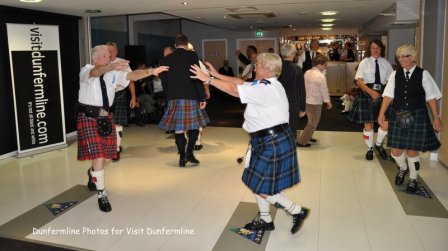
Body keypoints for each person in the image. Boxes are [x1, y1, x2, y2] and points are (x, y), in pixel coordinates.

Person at [190, 53, 309, 235]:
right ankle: (266, 219)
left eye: (258, 66)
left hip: (273, 142)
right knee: (255, 180)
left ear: (267, 70)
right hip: (262, 140)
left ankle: (296, 210)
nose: (255, 68)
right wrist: (215, 74)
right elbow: (239, 82)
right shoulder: (264, 84)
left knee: (258, 184)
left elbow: (234, 91)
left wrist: (208, 80)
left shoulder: (268, 89)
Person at [78, 45, 168, 212]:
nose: (110, 57)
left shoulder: (113, 72)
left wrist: (151, 71)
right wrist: (112, 66)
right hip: (89, 117)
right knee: (98, 156)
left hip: (106, 118)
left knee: (108, 158)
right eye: (105, 55)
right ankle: (101, 194)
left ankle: (93, 174)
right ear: (95, 58)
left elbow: (131, 75)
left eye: (110, 55)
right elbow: (97, 73)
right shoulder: (86, 71)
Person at [378, 44, 443, 193]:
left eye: (405, 56)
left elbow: (432, 97)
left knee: (413, 151)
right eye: (399, 57)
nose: (401, 60)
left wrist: (436, 117)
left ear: (413, 57)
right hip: (398, 114)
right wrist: (382, 113)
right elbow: (388, 96)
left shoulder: (423, 74)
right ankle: (403, 168)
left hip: (417, 114)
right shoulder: (395, 74)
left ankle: (413, 179)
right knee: (395, 151)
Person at [158, 34, 210, 167]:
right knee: (194, 127)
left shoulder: (167, 59)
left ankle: (182, 157)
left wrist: (168, 97)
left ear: (175, 45)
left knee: (179, 129)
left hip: (174, 97)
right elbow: (196, 76)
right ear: (187, 45)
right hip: (190, 96)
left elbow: (164, 80)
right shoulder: (192, 56)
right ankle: (189, 153)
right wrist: (202, 96)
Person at [348, 39, 393, 160]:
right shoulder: (364, 62)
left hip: (383, 94)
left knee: (385, 124)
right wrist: (371, 92)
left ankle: (378, 144)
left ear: (381, 49)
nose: (375, 50)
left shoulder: (386, 63)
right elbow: (359, 81)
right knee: (368, 124)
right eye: (373, 48)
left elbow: (391, 81)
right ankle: (369, 148)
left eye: (378, 48)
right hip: (367, 93)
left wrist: (388, 95)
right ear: (370, 49)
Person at [106, 42, 136, 161]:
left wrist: (133, 97)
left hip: (120, 93)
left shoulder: (123, 63)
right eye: (108, 50)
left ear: (117, 51)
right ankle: (111, 145)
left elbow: (131, 80)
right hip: (106, 95)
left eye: (112, 50)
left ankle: (116, 149)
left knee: (117, 122)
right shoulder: (102, 63)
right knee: (106, 122)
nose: (110, 52)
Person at [297, 55, 332, 147]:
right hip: (315, 102)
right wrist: (328, 102)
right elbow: (324, 90)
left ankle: (308, 136)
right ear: (320, 65)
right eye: (325, 65)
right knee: (313, 123)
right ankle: (302, 141)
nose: (325, 67)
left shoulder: (307, 72)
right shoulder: (321, 76)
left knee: (311, 121)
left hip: (306, 100)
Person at [278, 43, 306, 144]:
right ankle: (290, 151)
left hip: (278, 103)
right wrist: (303, 108)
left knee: (280, 128)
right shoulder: (297, 69)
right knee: (292, 129)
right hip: (293, 104)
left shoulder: (277, 68)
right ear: (292, 54)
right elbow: (301, 90)